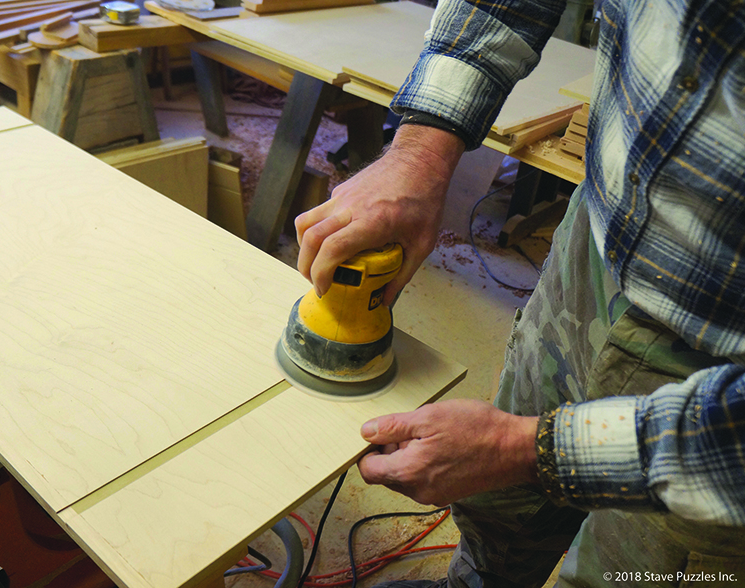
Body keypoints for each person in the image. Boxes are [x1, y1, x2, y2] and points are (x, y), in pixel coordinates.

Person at [294, 1, 745, 586]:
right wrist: (420, 152)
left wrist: (527, 448)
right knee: (496, 507)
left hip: (723, 346)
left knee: (641, 569)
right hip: (601, 231)